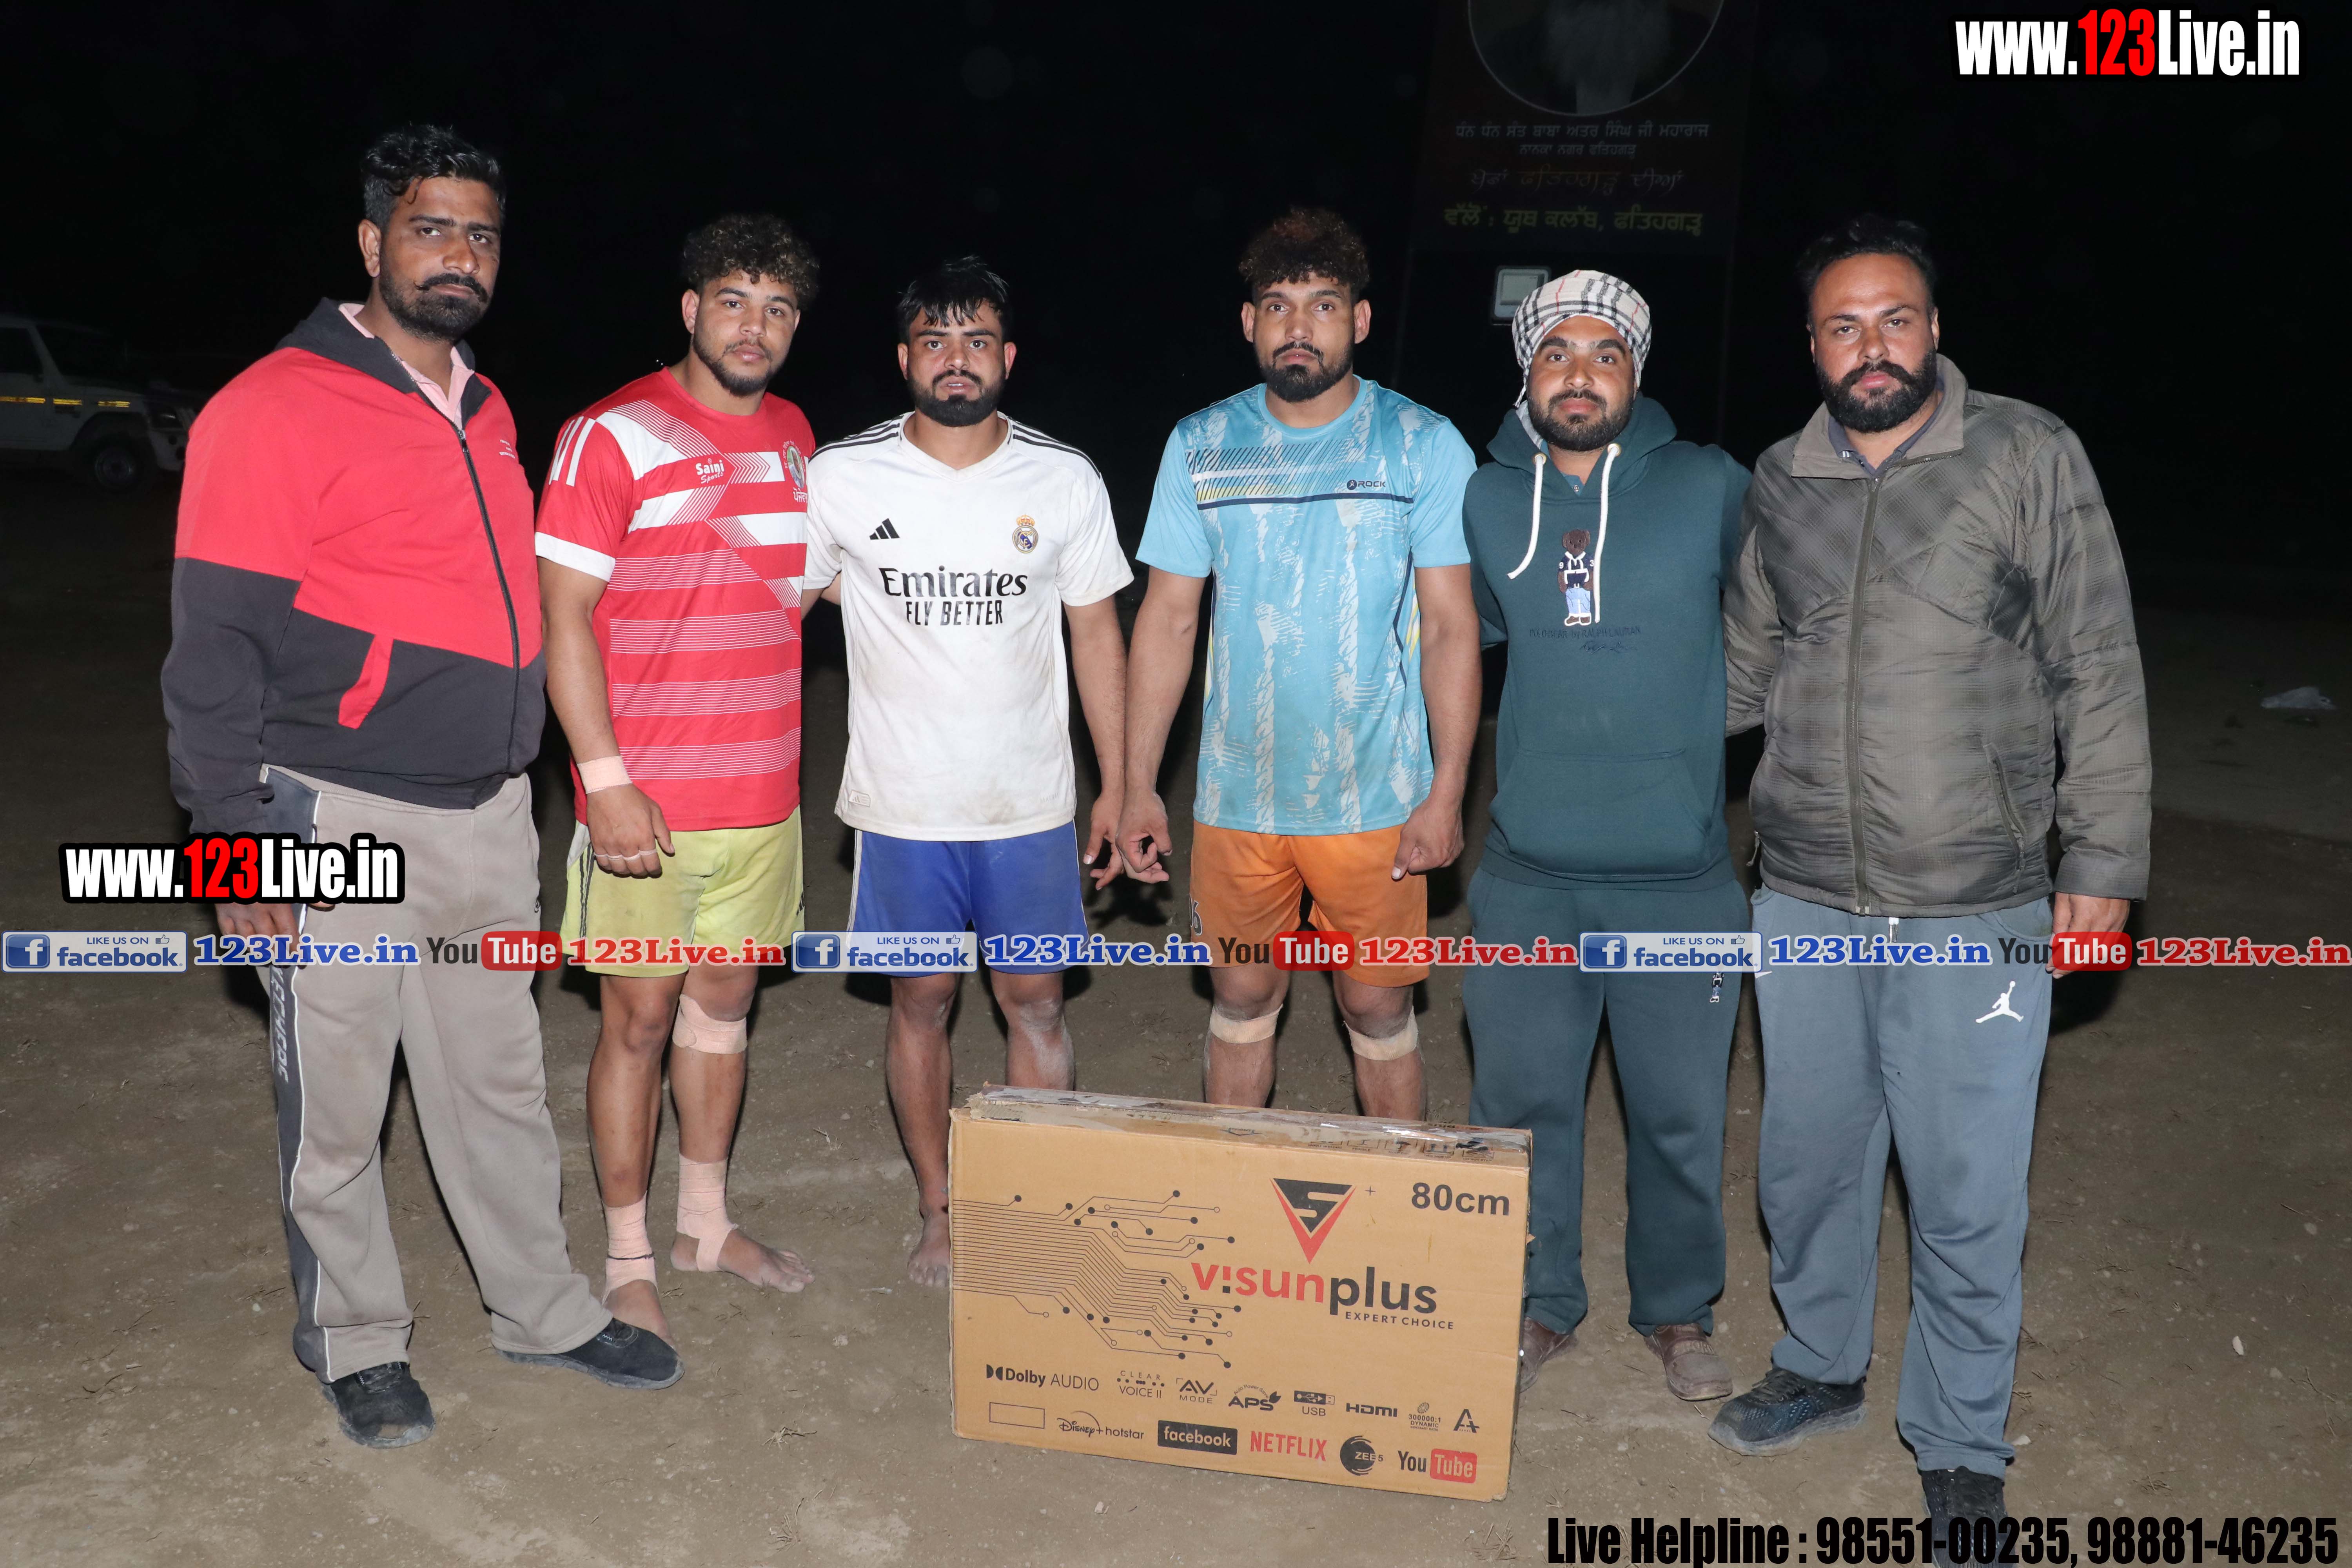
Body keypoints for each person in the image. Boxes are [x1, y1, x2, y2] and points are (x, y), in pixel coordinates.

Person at [161, 125, 678, 1450]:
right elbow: (212, 650)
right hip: (330, 809)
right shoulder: (272, 404)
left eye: (482, 235)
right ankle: (358, 1340)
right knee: (338, 1101)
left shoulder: (488, 409)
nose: (460, 255)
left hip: (490, 813)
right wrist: (230, 847)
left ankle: (541, 1312)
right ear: (372, 242)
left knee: (496, 1082)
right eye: (432, 227)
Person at [1713, 216, 2149, 1543]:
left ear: (1936, 328)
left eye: (1895, 319)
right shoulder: (1782, 479)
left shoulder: (2025, 452)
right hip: (1804, 894)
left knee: (1965, 1185)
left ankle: (1960, 1439)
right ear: (1813, 345)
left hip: (1977, 900)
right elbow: (1740, 671)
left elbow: (2097, 664)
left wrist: (2104, 862)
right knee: (1808, 1164)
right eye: (1844, 326)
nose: (1873, 347)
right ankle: (1820, 1363)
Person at [800, 258, 1132, 1287]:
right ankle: (941, 1210)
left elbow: (1097, 634)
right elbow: (781, 601)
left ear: (1009, 357)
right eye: (936, 341)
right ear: (904, 358)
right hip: (903, 806)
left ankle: (1029, 1209)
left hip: (1027, 803)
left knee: (1036, 1001)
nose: (957, 359)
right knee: (923, 1000)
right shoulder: (841, 476)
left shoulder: (1063, 478)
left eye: (977, 340)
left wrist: (1122, 783)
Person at [1458, 271, 1752, 1401]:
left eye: (1606, 354)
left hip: (1680, 878)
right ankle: (1538, 1303)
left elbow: (1783, 617)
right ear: (1527, 374)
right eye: (1557, 354)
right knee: (1522, 1111)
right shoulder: (1485, 500)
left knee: (1678, 1115)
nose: (1579, 375)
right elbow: (1463, 643)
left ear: (1637, 373)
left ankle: (1677, 1311)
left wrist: (1696, 731)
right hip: (1529, 874)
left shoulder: (1710, 483)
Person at [1121, 209, 1480, 1119]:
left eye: (1323, 305)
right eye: (1277, 305)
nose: (1298, 326)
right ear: (1249, 322)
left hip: (1377, 799)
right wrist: (1135, 783)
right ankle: (1235, 1196)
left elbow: (1450, 627)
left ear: (1360, 320)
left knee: (1378, 1007)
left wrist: (1446, 793)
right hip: (1238, 795)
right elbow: (1167, 618)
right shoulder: (1201, 444)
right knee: (1243, 999)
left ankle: (1397, 1196)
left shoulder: (1422, 442)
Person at [534, 215, 823, 1343]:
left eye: (780, 308)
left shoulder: (798, 437)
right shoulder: (612, 434)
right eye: (736, 301)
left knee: (723, 1011)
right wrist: (604, 781)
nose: (757, 327)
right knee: (640, 1022)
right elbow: (563, 617)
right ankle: (628, 1257)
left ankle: (704, 1225)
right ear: (692, 309)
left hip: (766, 797)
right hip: (648, 802)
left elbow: (792, 589)